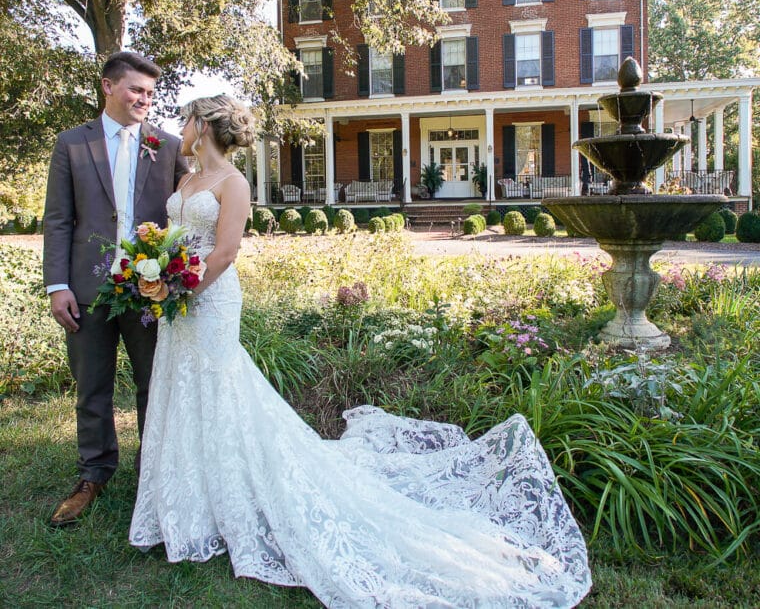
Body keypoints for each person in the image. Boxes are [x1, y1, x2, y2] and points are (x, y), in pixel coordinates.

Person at [129, 95, 592, 607]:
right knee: (182, 386)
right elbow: (174, 238)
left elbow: (226, 251)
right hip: (177, 303)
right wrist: (157, 276)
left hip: (208, 299)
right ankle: (192, 502)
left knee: (219, 387)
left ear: (205, 126)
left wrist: (180, 289)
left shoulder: (232, 184)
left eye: (187, 119)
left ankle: (235, 496)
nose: (181, 126)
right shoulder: (185, 181)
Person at [43, 51, 188, 526]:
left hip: (149, 289)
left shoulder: (166, 146)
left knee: (154, 384)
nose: (145, 99)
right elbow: (59, 219)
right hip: (86, 288)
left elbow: (188, 211)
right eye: (135, 90)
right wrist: (57, 285)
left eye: (150, 93)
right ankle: (94, 474)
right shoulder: (71, 143)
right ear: (108, 87)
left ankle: (156, 473)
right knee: (92, 387)